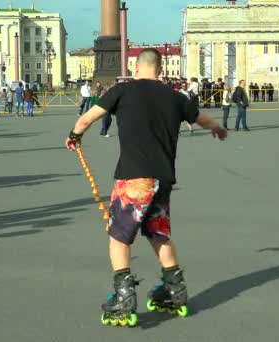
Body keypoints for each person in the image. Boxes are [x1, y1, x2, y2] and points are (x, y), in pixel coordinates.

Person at [65, 48, 227, 325]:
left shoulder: (122, 91)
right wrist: (217, 129)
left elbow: (85, 119)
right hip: (163, 178)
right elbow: (203, 120)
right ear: (161, 69)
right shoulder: (177, 97)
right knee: (158, 233)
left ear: (137, 68)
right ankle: (175, 290)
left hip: (133, 178)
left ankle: (123, 297)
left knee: (118, 237)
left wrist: (74, 136)